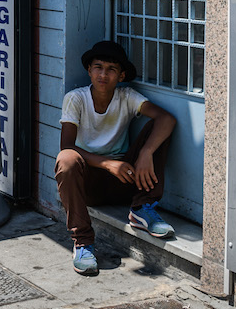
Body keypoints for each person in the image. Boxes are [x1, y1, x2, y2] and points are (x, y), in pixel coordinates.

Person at [56, 40, 177, 276]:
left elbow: (167, 119)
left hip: (124, 179)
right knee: (66, 159)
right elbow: (66, 146)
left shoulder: (126, 96)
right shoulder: (76, 98)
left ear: (121, 75)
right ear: (89, 70)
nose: (104, 74)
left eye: (111, 69)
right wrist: (107, 163)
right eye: (98, 67)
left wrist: (145, 152)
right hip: (88, 183)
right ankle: (82, 242)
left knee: (158, 129)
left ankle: (142, 209)